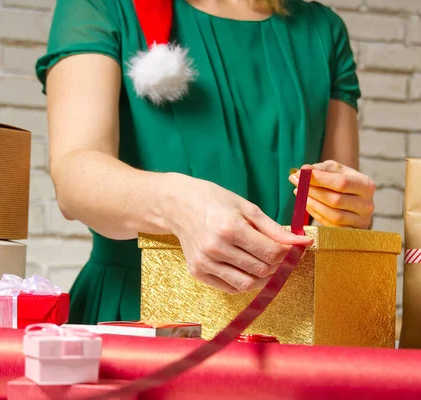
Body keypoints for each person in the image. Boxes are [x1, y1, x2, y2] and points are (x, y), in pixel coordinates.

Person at [36, 0, 376, 325]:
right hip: (136, 314)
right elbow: (73, 179)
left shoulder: (322, 31)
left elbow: (335, 218)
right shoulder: (103, 5)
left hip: (287, 322)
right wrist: (177, 205)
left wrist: (346, 212)